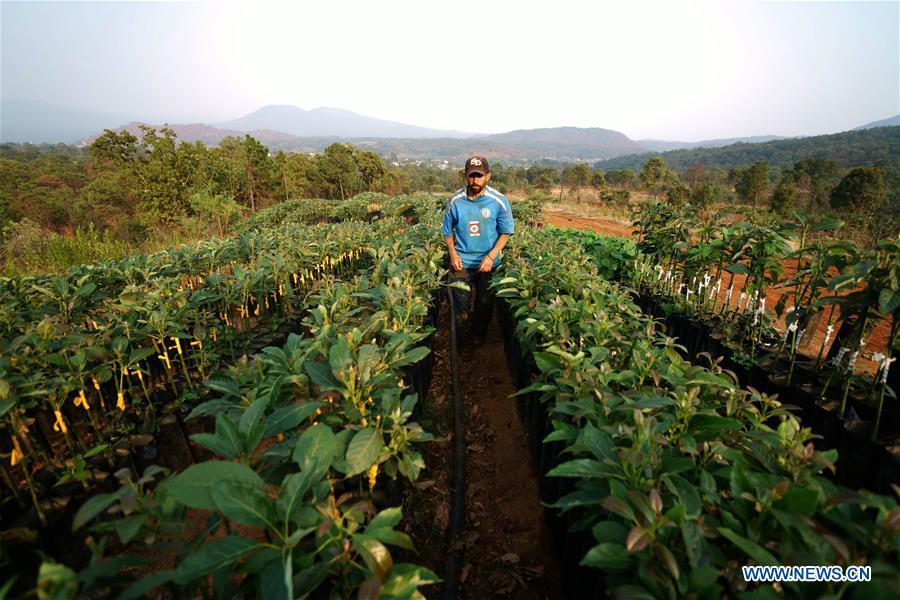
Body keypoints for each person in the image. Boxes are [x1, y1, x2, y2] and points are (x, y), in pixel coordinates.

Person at [441, 156, 515, 340]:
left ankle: (478, 336)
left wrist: (491, 256)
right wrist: (452, 252)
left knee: (484, 304)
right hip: (462, 262)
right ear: (466, 176)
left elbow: (505, 232)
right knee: (460, 304)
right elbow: (447, 231)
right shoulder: (455, 201)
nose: (475, 180)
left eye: (479, 176)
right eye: (472, 176)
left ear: (488, 176)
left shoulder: (498, 201)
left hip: (488, 262)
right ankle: (463, 343)